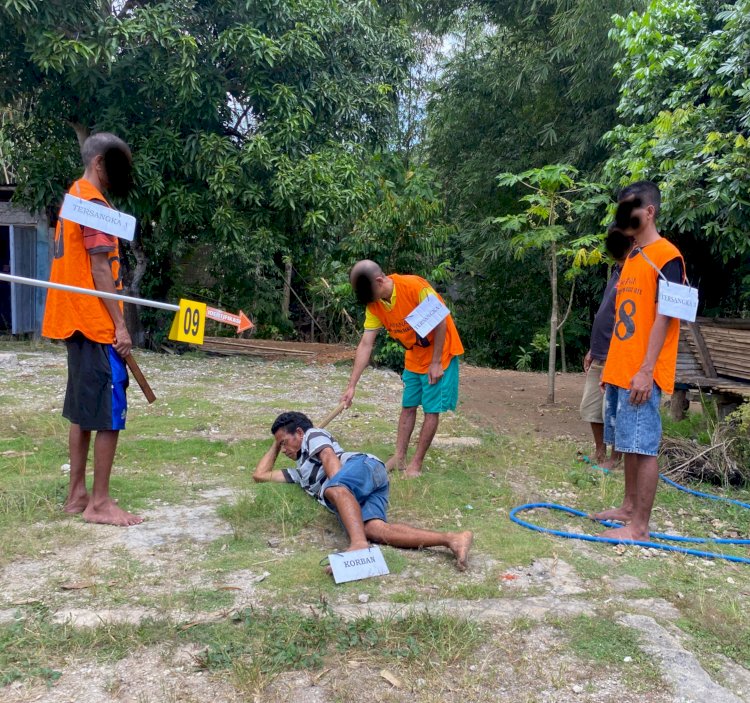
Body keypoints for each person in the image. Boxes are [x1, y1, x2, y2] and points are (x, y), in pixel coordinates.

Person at [42, 132, 142, 527]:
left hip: (75, 320)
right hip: (96, 324)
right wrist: (120, 325)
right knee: (107, 413)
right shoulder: (93, 204)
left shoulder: (75, 196)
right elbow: (102, 268)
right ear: (101, 162)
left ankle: (77, 495)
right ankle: (99, 503)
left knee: (84, 413)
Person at [253, 412, 473, 571]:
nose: (284, 450)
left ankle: (358, 545)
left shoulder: (312, 434)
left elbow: (329, 457)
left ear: (299, 432)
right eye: (280, 446)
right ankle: (452, 539)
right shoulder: (302, 472)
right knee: (375, 530)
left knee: (335, 488)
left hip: (362, 467)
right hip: (362, 487)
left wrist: (339, 487)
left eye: (285, 443)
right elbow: (260, 475)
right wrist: (276, 443)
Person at [592, 181, 685, 541]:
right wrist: (611, 368)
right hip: (621, 369)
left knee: (642, 446)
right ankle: (628, 508)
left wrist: (646, 370)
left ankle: (640, 528)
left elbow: (666, 316)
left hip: (644, 371)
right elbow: (622, 317)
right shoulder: (631, 257)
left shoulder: (668, 257)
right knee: (626, 443)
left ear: (649, 212)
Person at [341, 260, 464, 478]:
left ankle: (416, 463)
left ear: (380, 281)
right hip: (415, 354)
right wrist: (352, 386)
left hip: (440, 353)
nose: (371, 302)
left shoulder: (414, 287)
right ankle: (399, 457)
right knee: (408, 406)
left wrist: (435, 363)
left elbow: (441, 322)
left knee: (431, 408)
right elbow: (366, 344)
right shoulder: (375, 305)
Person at [579, 226, 631, 469]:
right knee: (591, 407)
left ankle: (615, 458)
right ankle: (600, 451)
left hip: (617, 355)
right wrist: (593, 349)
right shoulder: (617, 272)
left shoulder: (634, 273)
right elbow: (605, 314)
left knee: (612, 409)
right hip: (600, 352)